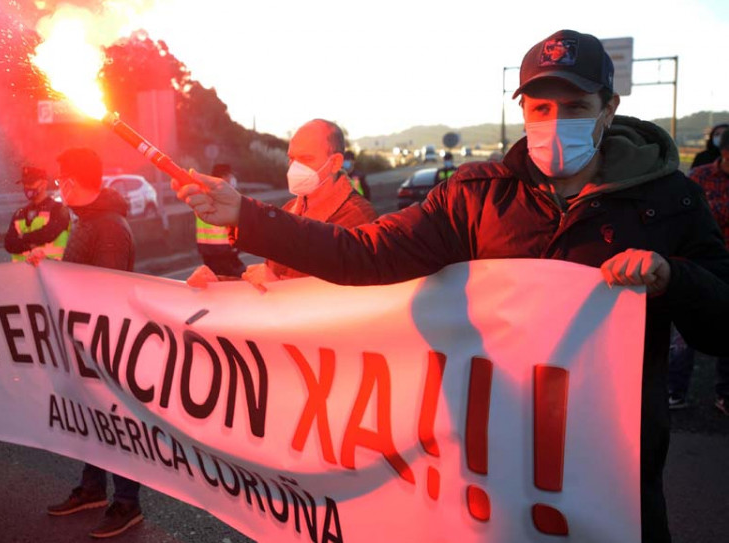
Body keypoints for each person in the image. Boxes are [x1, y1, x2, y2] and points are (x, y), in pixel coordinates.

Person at [175, 30, 729, 543]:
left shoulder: (670, 200)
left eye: (577, 107)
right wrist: (246, 215)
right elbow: (363, 253)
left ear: (609, 109)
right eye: (540, 107)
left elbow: (721, 325)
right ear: (523, 111)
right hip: (495, 472)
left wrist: (673, 278)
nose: (555, 121)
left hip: (614, 474)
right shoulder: (475, 197)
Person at [44, 148, 144, 539]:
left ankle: (126, 502)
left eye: (60, 180)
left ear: (70, 181)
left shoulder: (108, 227)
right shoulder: (87, 220)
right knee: (91, 421)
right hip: (83, 343)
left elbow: (106, 291)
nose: (58, 187)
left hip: (106, 345)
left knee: (114, 423)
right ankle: (92, 488)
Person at [187, 119, 376, 289]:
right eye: (292, 159)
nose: (295, 168)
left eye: (306, 159)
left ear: (335, 163)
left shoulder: (357, 217)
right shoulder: (289, 209)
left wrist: (279, 288)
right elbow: (265, 282)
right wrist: (217, 284)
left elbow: (349, 301)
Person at [668, 134, 729, 413]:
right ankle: (676, 390)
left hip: (718, 263)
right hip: (702, 261)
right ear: (724, 152)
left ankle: (724, 393)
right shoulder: (700, 178)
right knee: (683, 335)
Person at [3, 165, 70, 262]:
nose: (27, 187)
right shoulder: (19, 213)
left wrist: (22, 238)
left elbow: (48, 234)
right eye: (25, 183)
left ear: (44, 184)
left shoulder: (58, 209)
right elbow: (9, 245)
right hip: (22, 274)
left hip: (53, 272)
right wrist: (32, 244)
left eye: (31, 183)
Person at [195, 163, 246, 278]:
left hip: (206, 249)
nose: (231, 179)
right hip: (223, 247)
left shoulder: (203, 192)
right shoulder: (222, 195)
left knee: (216, 283)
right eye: (229, 175)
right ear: (223, 177)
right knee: (240, 281)